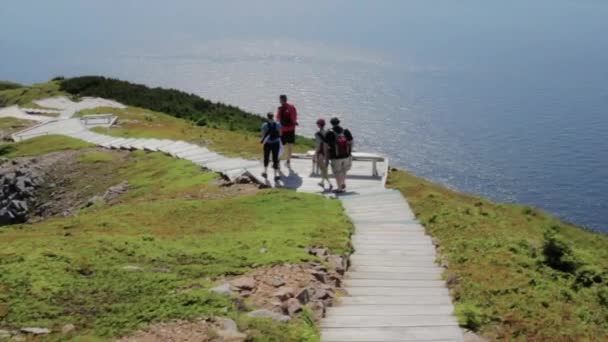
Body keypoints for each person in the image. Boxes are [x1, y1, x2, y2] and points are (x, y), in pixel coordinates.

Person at [325, 117, 353, 193]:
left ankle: (339, 188)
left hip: (335, 156)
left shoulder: (329, 132)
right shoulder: (346, 131)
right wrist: (349, 152)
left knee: (337, 172)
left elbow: (326, 146)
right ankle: (343, 183)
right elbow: (351, 142)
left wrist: (327, 159)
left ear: (331, 123)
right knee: (344, 170)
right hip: (346, 155)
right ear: (339, 122)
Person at [276, 94, 297, 167]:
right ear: (286, 99)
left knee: (280, 146)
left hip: (283, 130)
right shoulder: (292, 107)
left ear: (281, 100)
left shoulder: (280, 108)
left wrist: (278, 130)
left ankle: (278, 161)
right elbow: (294, 119)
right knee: (290, 146)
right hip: (291, 129)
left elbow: (278, 119)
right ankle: (288, 161)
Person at [260, 112, 282, 181]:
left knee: (266, 157)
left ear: (267, 117)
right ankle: (275, 175)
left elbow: (263, 135)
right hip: (276, 143)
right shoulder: (278, 124)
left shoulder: (264, 125)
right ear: (273, 117)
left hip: (267, 144)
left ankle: (265, 172)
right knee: (275, 158)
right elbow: (280, 134)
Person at [314, 118, 332, 191]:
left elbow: (318, 145)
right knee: (324, 168)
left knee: (322, 169)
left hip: (321, 153)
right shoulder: (327, 132)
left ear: (318, 125)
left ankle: (330, 183)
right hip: (327, 152)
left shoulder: (317, 134)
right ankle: (322, 181)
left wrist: (315, 154)